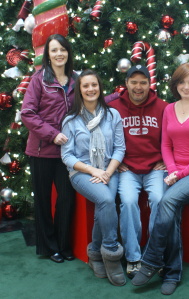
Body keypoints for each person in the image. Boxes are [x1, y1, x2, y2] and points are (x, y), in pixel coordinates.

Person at [131, 63, 189, 295]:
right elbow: (165, 144)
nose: (186, 86)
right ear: (175, 84)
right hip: (174, 171)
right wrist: (172, 170)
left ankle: (150, 261)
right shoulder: (169, 109)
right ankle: (172, 273)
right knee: (168, 207)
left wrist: (182, 173)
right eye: (182, 82)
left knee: (168, 201)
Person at [61, 70, 126, 286]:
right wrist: (93, 171)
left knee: (103, 205)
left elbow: (119, 149)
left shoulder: (113, 115)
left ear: (100, 87)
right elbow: (67, 156)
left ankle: (95, 254)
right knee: (107, 200)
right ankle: (111, 253)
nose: (90, 89)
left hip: (110, 169)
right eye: (85, 86)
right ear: (79, 90)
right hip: (81, 173)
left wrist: (107, 171)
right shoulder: (71, 120)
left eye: (94, 85)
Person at [107, 65, 168, 278]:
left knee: (160, 199)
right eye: (134, 82)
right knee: (129, 201)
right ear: (126, 84)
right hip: (127, 169)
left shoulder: (163, 107)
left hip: (155, 168)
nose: (138, 87)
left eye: (143, 82)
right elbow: (105, 138)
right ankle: (133, 257)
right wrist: (115, 161)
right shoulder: (114, 107)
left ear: (149, 85)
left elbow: (172, 139)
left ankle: (153, 254)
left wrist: (165, 161)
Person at [21, 34, 77, 264]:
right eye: (54, 50)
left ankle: (64, 246)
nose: (59, 54)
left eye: (62, 49)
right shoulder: (39, 80)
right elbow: (27, 113)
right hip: (42, 150)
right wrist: (53, 135)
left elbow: (95, 99)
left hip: (68, 154)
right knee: (43, 201)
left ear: (68, 52)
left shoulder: (76, 79)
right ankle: (50, 247)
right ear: (48, 55)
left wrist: (118, 95)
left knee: (66, 199)